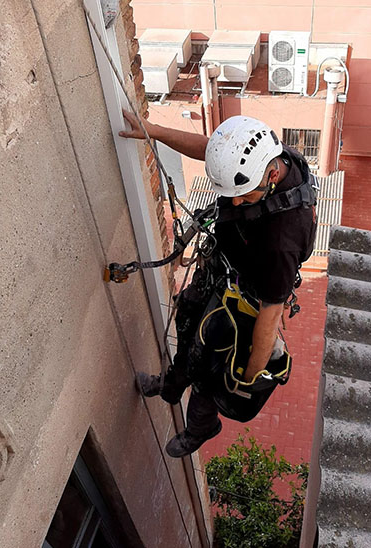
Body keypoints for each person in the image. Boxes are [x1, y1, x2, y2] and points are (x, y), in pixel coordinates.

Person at [119, 110, 316, 457]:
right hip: (222, 273)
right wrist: (154, 130)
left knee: (209, 373)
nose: (235, 202)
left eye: (245, 196)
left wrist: (248, 374)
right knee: (188, 324)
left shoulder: (283, 239)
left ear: (271, 175)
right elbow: (211, 149)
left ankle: (199, 429)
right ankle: (169, 386)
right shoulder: (262, 155)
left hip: (248, 306)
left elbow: (269, 319)